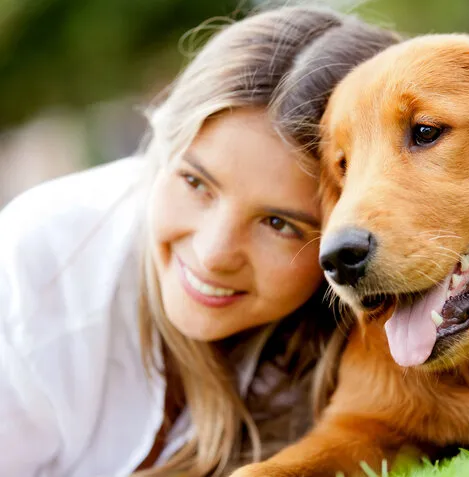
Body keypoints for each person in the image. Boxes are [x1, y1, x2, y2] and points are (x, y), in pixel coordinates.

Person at [0, 6, 399, 477]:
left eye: (279, 224)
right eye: (195, 183)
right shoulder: (42, 267)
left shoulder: (353, 344)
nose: (212, 254)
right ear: (163, 148)